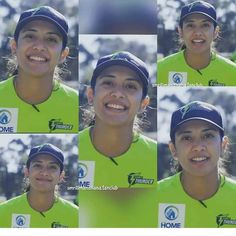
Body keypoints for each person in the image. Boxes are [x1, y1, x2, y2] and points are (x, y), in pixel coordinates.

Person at [79, 51, 157, 227]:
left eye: (130, 86)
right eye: (108, 83)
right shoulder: (72, 149)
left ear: (143, 104)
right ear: (91, 95)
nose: (118, 93)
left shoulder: (157, 158)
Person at [157, 101, 236, 228]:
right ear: (173, 149)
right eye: (187, 138)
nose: (198, 147)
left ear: (223, 145)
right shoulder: (149, 198)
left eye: (208, 135)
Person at [0, 6, 78, 133]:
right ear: (14, 46)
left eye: (51, 39)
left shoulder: (77, 106)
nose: (39, 46)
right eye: (30, 36)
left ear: (63, 54)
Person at [157, 1, 236, 86]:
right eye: (190, 25)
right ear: (180, 31)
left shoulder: (233, 72)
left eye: (205, 25)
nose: (198, 33)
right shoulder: (159, 69)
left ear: (215, 32)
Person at [0, 143, 78, 228]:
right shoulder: (3, 212)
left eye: (52, 167)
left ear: (61, 176)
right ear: (27, 171)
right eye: (37, 165)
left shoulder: (77, 216)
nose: (44, 173)